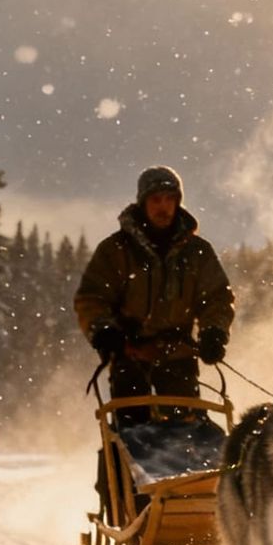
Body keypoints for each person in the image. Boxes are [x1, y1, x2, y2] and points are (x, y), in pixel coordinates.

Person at [75, 164, 235, 408]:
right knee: (131, 435)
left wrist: (214, 332)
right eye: (156, 199)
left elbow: (216, 298)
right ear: (143, 203)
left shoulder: (197, 252)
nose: (164, 207)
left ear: (178, 202)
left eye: (170, 199)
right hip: (129, 354)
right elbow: (92, 298)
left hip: (179, 354)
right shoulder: (116, 250)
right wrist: (103, 331)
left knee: (188, 434)